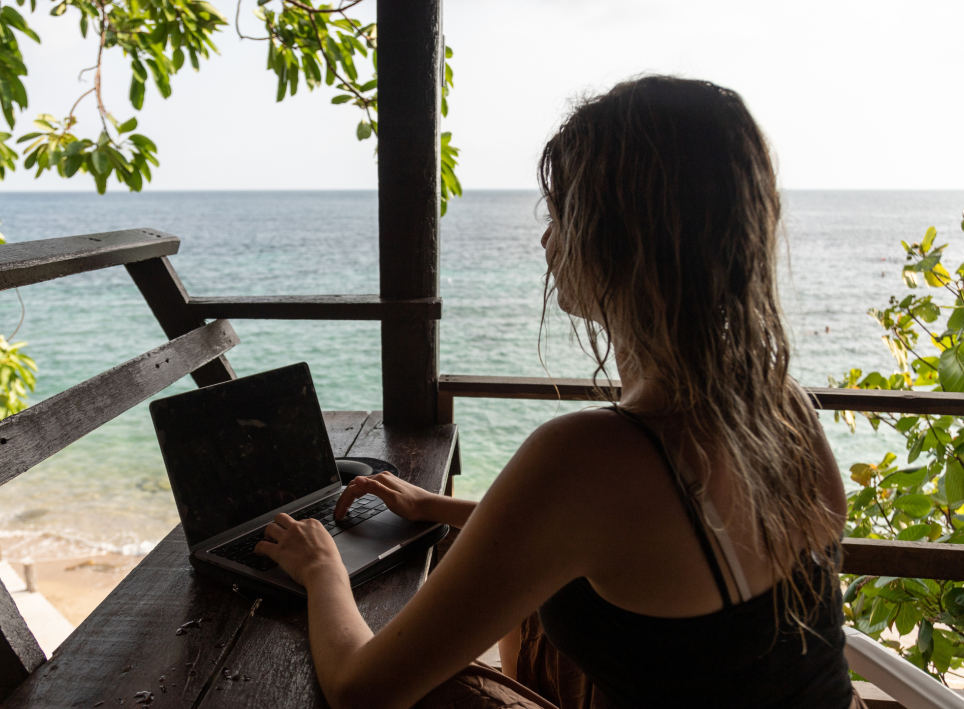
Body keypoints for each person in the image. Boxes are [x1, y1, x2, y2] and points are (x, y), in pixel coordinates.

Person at [252, 76, 855, 709]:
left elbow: (361, 690)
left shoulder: (586, 456)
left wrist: (321, 567)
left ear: (619, 237)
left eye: (561, 213)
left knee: (432, 690)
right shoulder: (783, 409)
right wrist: (438, 507)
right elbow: (636, 538)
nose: (546, 240)